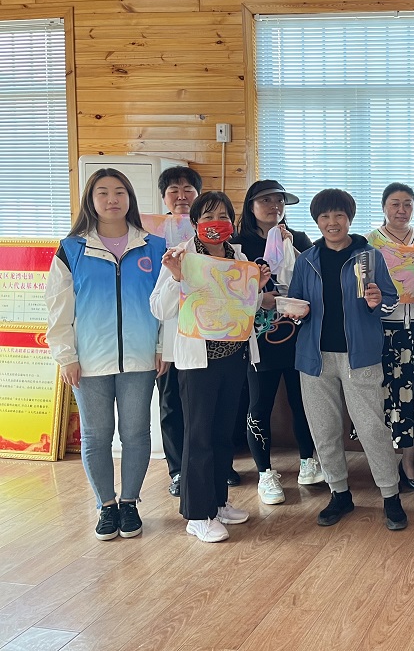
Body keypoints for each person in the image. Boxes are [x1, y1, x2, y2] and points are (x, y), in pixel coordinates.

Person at [46, 168, 167, 540]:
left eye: (119, 191)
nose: (112, 199)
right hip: (89, 361)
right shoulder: (71, 249)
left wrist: (162, 347)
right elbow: (58, 309)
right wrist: (66, 356)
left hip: (140, 358)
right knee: (96, 437)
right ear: (91, 199)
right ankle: (106, 505)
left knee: (136, 433)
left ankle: (129, 503)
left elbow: (168, 305)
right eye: (103, 192)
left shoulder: (155, 247)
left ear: (130, 198)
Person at [286, 189, 408, 531]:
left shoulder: (370, 256)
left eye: (339, 215)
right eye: (324, 217)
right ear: (317, 221)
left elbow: (390, 302)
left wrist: (377, 301)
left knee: (371, 428)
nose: (332, 222)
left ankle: (391, 496)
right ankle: (339, 493)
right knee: (323, 429)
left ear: (349, 219)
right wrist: (295, 312)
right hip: (314, 359)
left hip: (360, 356)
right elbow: (296, 303)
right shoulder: (306, 259)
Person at [151, 192, 265, 543]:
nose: (217, 222)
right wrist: (176, 277)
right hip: (198, 361)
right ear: (195, 222)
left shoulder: (238, 258)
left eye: (224, 216)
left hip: (233, 357)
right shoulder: (181, 256)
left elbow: (245, 309)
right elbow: (159, 309)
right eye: (209, 216)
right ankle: (197, 514)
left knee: (222, 434)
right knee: (198, 435)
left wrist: (257, 287)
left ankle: (218, 502)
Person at [234, 179, 323, 505]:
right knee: (260, 404)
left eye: (279, 201)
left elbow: (315, 273)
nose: (275, 206)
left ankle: (308, 462)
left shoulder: (297, 237)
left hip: (298, 334)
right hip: (258, 339)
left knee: (303, 402)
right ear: (251, 206)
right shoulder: (238, 244)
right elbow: (230, 290)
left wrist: (292, 248)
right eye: (266, 200)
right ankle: (265, 473)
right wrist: (261, 298)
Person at [367, 183, 414, 490]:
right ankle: (382, 463)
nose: (401, 210)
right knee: (381, 396)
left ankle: (409, 462)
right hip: (382, 328)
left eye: (408, 204)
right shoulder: (370, 241)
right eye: (395, 204)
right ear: (384, 207)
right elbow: (362, 286)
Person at [155, 165, 202, 497]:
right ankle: (177, 471)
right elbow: (154, 299)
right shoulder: (152, 237)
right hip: (168, 337)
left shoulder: (210, 235)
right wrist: (158, 345)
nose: (181, 195)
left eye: (188, 189)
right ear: (164, 197)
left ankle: (216, 466)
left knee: (205, 406)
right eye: (174, 190)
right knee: (171, 404)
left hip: (206, 337)